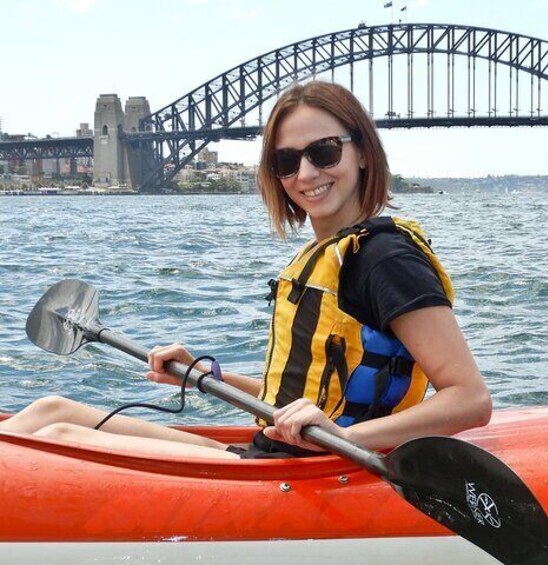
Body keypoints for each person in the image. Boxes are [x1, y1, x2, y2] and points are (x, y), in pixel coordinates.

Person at [0, 81, 492, 459]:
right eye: (285, 160)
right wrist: (203, 375)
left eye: (324, 152)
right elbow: (301, 397)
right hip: (272, 453)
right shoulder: (331, 253)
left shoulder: (386, 259)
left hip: (308, 471)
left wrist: (342, 437)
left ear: (361, 150)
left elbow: (470, 399)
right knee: (51, 410)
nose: (305, 175)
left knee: (60, 437)